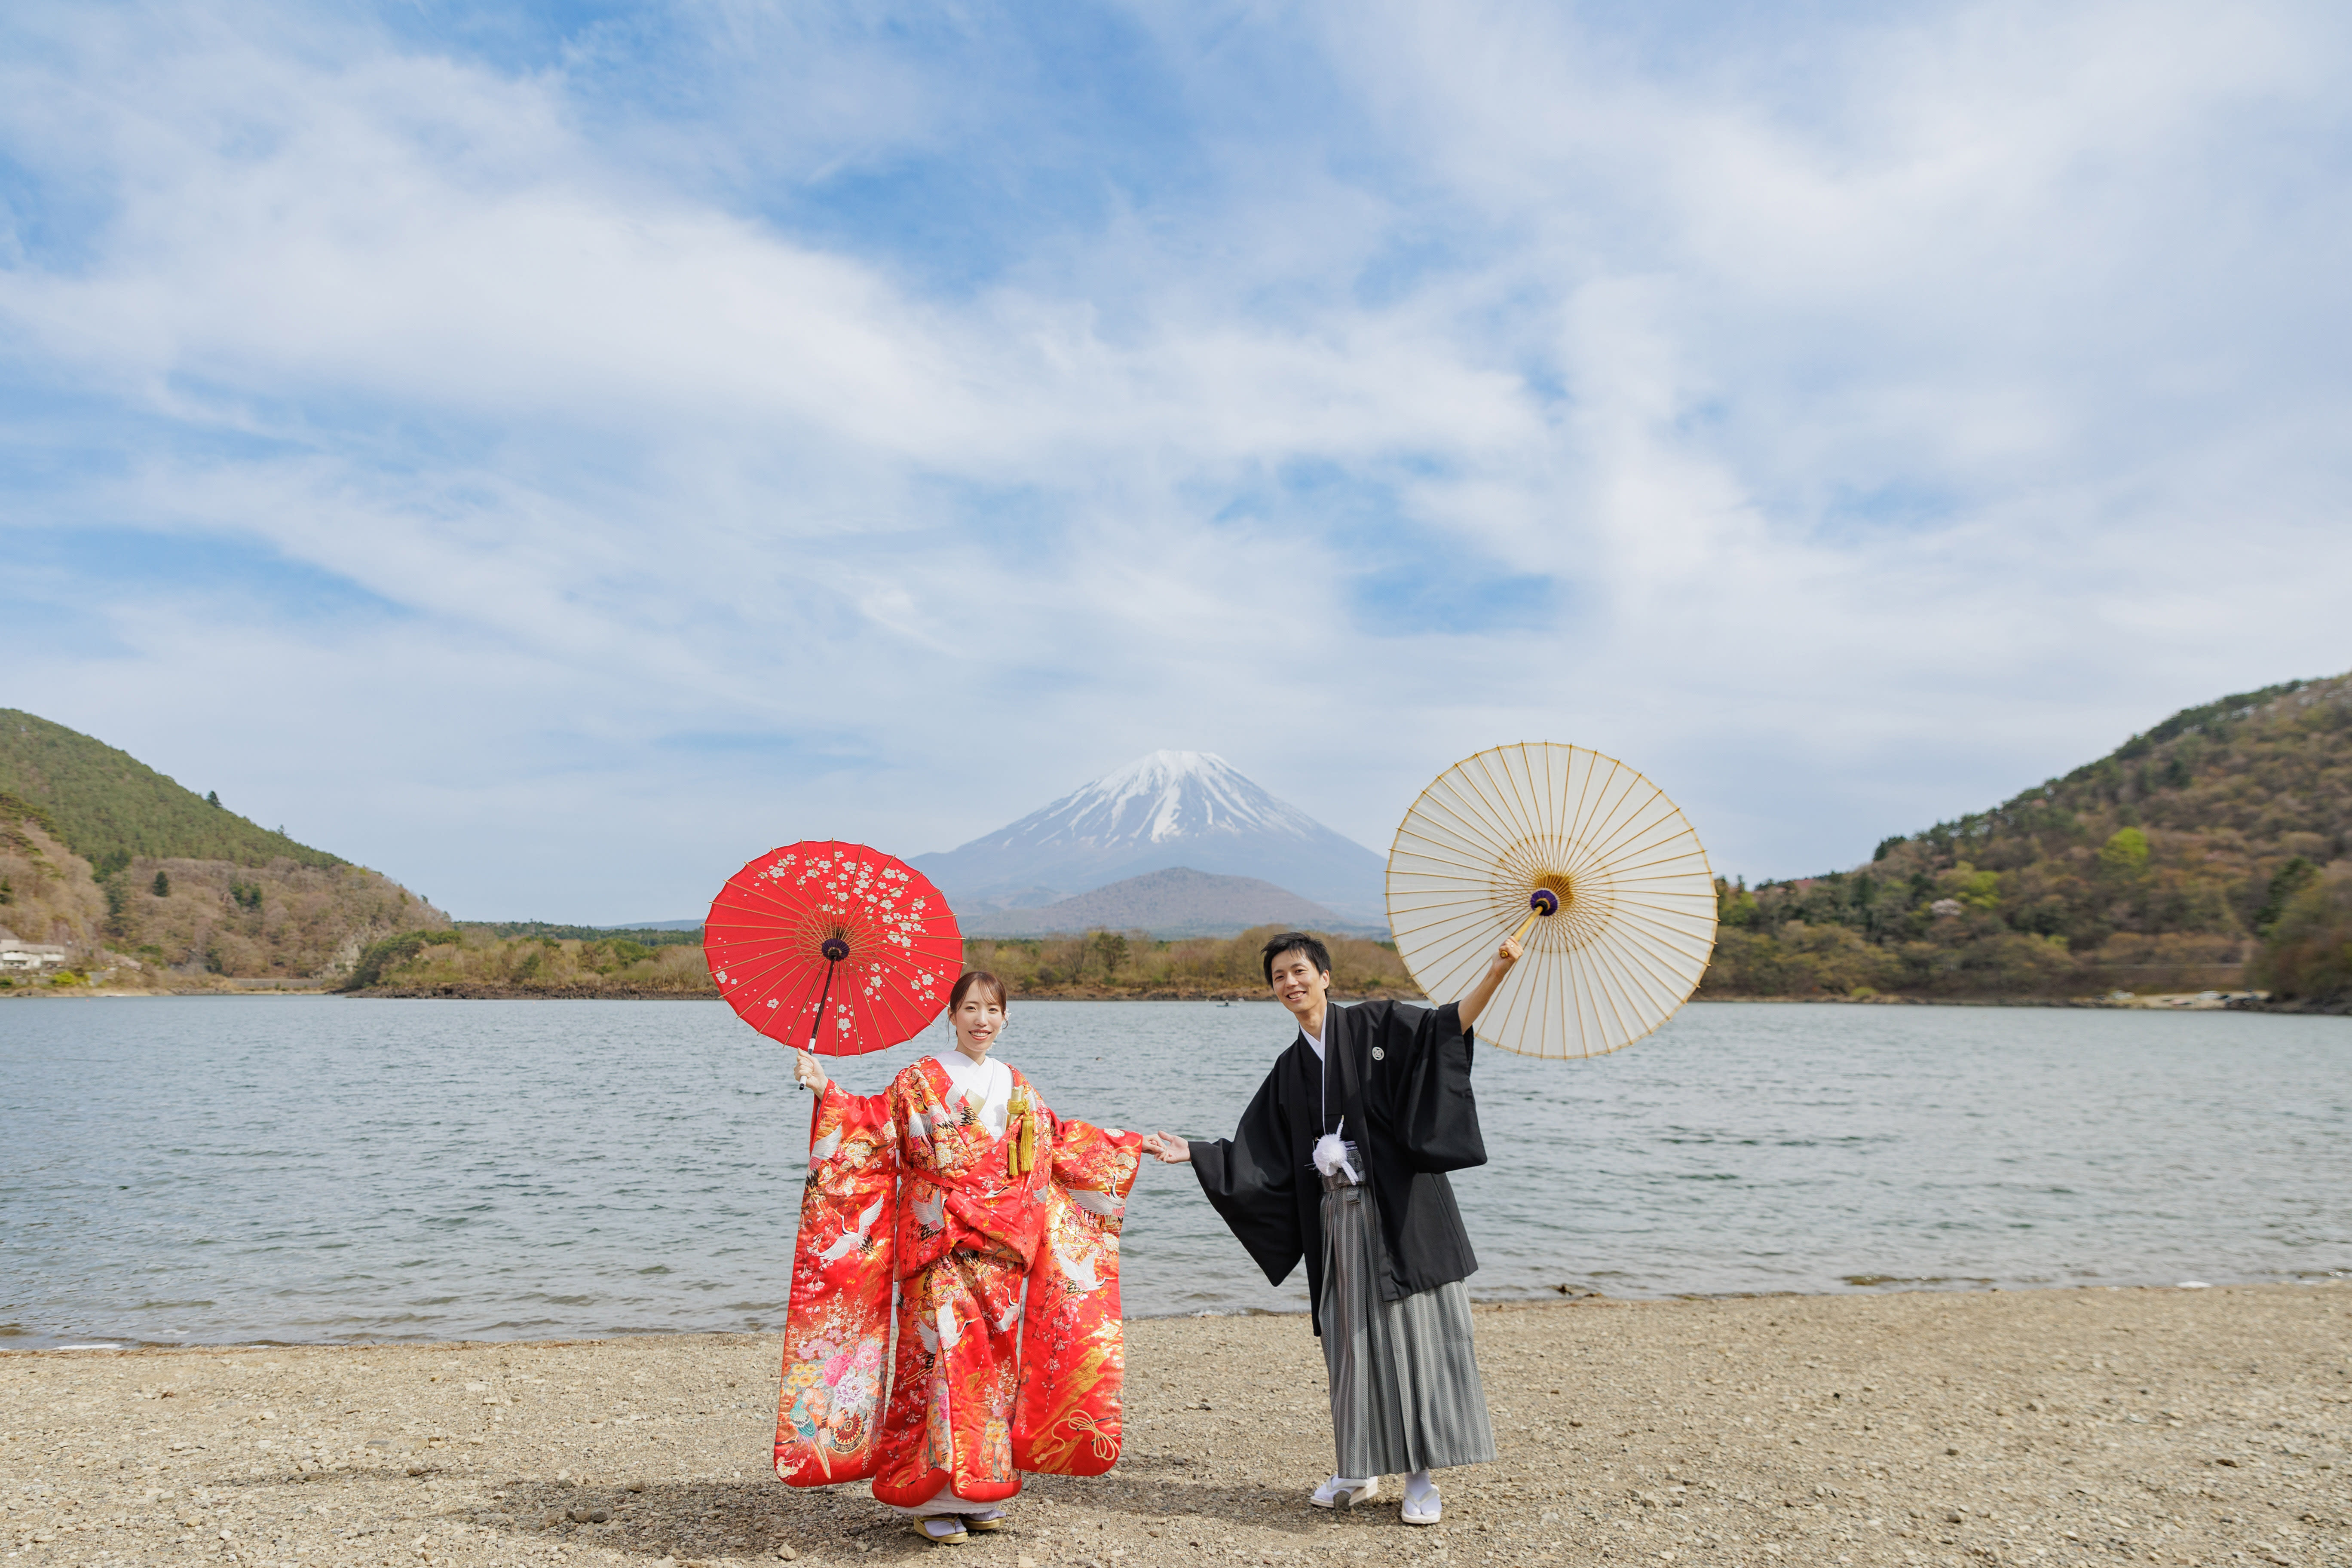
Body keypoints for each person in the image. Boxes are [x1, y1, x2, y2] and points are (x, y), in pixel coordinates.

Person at [1140, 930, 1519, 1527]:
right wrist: (1196, 1153)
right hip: (1338, 1223)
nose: (1290, 983)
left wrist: (1496, 972)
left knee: (1411, 1337)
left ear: (1325, 977)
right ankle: (1358, 1467)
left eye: (1299, 971)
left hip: (1401, 1213)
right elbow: (1260, 1152)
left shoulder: (1377, 1024)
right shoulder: (1291, 1067)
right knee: (1350, 1341)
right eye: (1279, 977)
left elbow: (1447, 1029)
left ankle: (1420, 1478)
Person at [779, 971, 1144, 1546]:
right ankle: (929, 1495)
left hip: (1000, 1252)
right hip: (938, 1241)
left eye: (993, 1010)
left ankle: (981, 1488)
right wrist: (827, 1089)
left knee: (990, 1369)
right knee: (937, 1363)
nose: (982, 1020)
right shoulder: (919, 1079)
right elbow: (873, 1129)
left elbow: (1058, 1143)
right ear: (950, 1016)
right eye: (971, 1008)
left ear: (1006, 1018)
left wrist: (1131, 1145)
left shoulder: (1018, 1085)